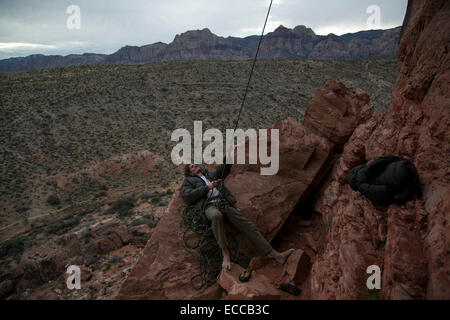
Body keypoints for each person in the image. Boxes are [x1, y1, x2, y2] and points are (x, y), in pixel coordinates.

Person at [181, 159, 294, 271]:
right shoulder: (188, 181)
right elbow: (187, 195)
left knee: (246, 225)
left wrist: (228, 158)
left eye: (195, 164)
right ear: (189, 171)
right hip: (208, 206)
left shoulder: (210, 174)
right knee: (216, 216)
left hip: (222, 202)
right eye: (191, 166)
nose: (195, 165)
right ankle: (225, 253)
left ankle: (276, 255)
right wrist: (207, 188)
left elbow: (222, 170)